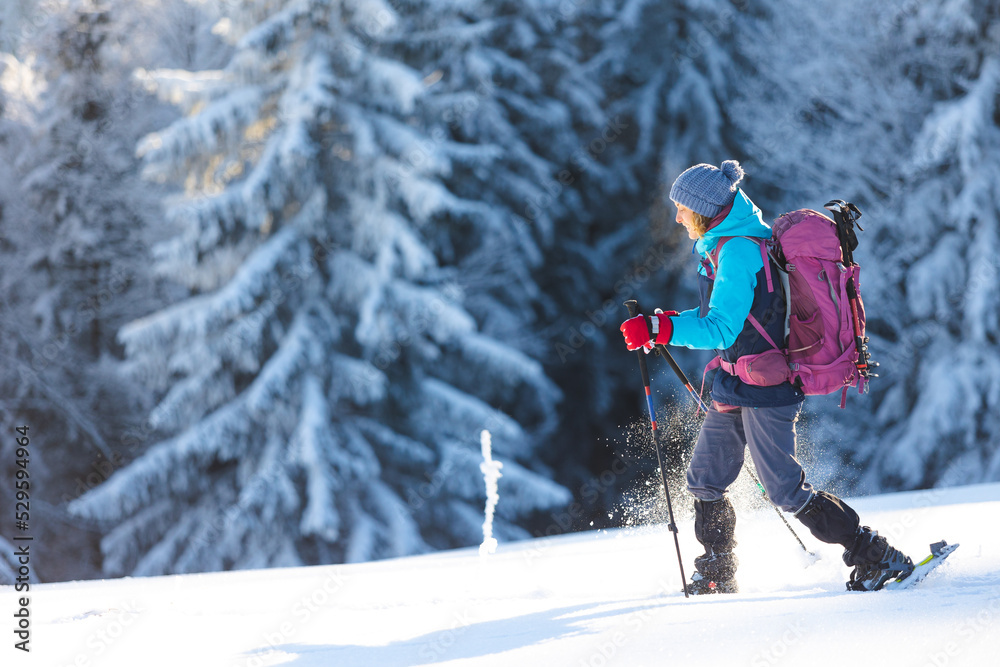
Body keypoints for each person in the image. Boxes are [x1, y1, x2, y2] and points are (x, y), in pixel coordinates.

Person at [619, 160, 913, 594]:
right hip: (735, 381)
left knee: (785, 490)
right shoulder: (721, 244)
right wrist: (664, 323)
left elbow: (721, 328)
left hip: (768, 386)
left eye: (682, 208)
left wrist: (663, 330)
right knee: (704, 477)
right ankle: (719, 568)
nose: (677, 217)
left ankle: (877, 554)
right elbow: (718, 318)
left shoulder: (738, 249)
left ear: (704, 209)